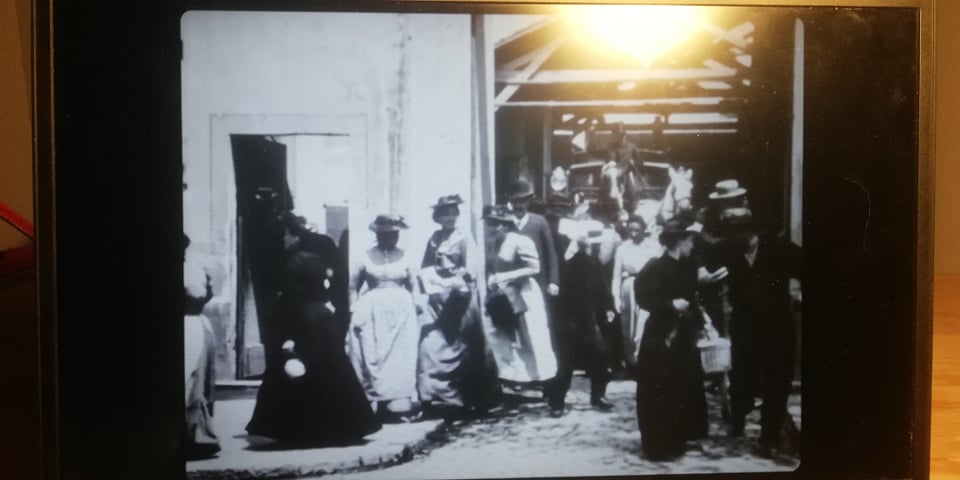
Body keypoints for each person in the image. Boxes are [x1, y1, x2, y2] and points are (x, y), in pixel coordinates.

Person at [245, 218, 381, 445]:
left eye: (284, 235)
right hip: (319, 317)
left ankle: (304, 427)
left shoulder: (299, 259)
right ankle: (330, 425)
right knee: (326, 367)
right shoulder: (310, 257)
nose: (282, 240)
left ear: (293, 234)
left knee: (305, 366)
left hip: (302, 317)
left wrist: (285, 330)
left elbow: (295, 295)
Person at [716, 208, 801, 457]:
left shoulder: (778, 248)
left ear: (748, 231)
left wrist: (799, 294)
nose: (731, 239)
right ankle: (738, 416)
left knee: (777, 381)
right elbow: (703, 262)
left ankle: (769, 436)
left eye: (735, 233)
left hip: (777, 327)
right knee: (742, 376)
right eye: (728, 234)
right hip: (744, 327)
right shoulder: (729, 250)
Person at [633, 218, 709, 461]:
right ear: (679, 241)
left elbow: (693, 298)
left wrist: (701, 324)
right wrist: (670, 304)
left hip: (683, 335)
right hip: (661, 336)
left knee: (681, 386)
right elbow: (643, 298)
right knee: (659, 387)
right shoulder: (655, 267)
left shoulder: (687, 267)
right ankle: (657, 444)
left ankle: (677, 439)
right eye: (689, 241)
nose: (692, 246)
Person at [416, 194, 491, 421]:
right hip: (437, 301)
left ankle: (470, 402)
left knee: (464, 348)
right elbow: (425, 267)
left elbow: (472, 270)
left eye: (453, 213)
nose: (449, 217)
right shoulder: (434, 238)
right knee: (429, 347)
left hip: (460, 300)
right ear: (437, 217)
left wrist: (457, 279)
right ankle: (428, 400)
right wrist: (429, 284)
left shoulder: (464, 237)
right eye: (445, 214)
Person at [348, 214, 420, 422]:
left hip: (402, 311)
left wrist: (416, 307)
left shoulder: (406, 256)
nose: (391, 238)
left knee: (400, 358)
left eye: (394, 234)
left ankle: (396, 406)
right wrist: (354, 309)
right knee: (372, 354)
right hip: (372, 310)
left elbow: (414, 285)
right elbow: (352, 286)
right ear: (377, 235)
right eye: (386, 234)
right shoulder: (365, 257)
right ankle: (374, 403)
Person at [544, 225, 616, 417]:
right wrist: (606, 308)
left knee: (593, 355)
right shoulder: (575, 265)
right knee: (570, 360)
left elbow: (603, 290)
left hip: (586, 318)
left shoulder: (592, 264)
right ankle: (559, 401)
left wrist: (608, 307)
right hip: (576, 319)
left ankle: (591, 397)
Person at [483, 205, 558, 386]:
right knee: (503, 335)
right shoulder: (493, 243)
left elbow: (534, 268)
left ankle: (543, 376)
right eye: (489, 223)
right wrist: (493, 279)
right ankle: (515, 376)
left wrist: (507, 276)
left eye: (496, 224)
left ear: (505, 225)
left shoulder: (520, 241)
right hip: (502, 294)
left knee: (530, 333)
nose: (492, 228)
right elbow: (492, 267)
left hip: (524, 292)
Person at [184, 234, 220, 459]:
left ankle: (196, 435)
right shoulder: (192, 267)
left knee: (195, 381)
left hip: (192, 324)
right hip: (191, 323)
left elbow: (200, 294)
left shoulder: (193, 267)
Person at [611, 216, 662, 368]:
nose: (633, 234)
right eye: (630, 230)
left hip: (648, 287)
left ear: (644, 230)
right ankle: (631, 362)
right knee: (628, 327)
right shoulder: (622, 248)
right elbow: (616, 276)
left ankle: (643, 360)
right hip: (629, 289)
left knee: (643, 323)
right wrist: (616, 297)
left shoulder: (653, 247)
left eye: (637, 230)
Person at [507, 179, 560, 298]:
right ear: (511, 202)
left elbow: (551, 254)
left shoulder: (539, 223)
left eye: (523, 201)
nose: (519, 205)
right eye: (516, 201)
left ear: (528, 202)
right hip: (511, 285)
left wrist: (553, 281)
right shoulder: (506, 224)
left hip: (536, 283)